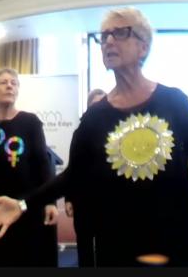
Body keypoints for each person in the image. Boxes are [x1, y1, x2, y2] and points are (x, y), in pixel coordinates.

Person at [0, 7, 188, 267]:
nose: (107, 41)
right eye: (104, 35)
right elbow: (73, 176)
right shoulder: (94, 118)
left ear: (143, 47)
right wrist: (23, 204)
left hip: (173, 240)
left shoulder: (173, 101)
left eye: (120, 33)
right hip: (118, 242)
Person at [0, 67, 59, 267]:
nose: (10, 85)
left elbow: (42, 163)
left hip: (26, 206)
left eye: (14, 82)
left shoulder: (30, 122)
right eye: (3, 82)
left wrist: (50, 202)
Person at [63, 88, 106, 267]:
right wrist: (68, 198)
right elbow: (72, 168)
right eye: (94, 105)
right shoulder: (79, 133)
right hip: (84, 201)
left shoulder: (119, 133)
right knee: (85, 248)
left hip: (109, 201)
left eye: (102, 104)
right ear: (88, 108)